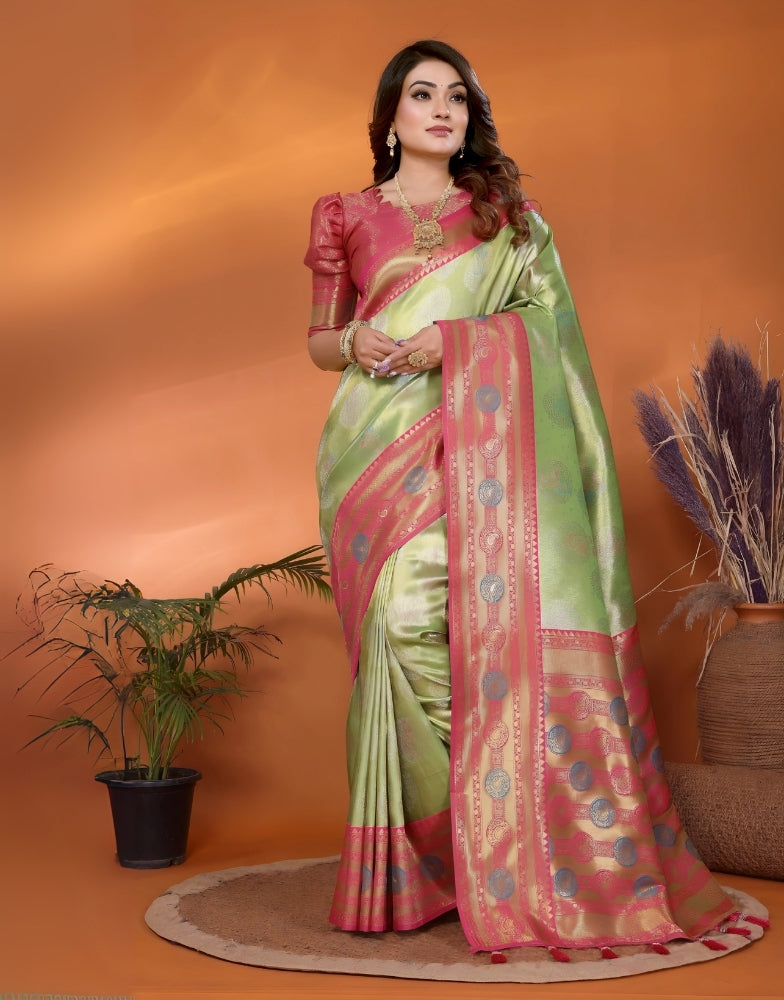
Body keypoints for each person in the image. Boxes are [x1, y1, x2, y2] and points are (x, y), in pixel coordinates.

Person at [304, 40, 739, 955]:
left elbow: (550, 330)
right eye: (421, 95)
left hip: (476, 448)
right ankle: (479, 839)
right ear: (388, 119)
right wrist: (361, 347)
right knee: (390, 631)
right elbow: (317, 338)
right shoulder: (344, 214)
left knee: (448, 623)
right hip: (370, 450)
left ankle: (528, 821)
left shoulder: (506, 218)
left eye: (455, 97)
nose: (441, 110)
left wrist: (455, 342)